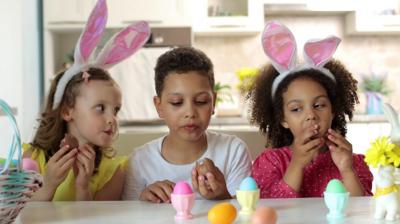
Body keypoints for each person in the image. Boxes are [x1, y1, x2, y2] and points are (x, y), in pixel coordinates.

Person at [22, 0, 150, 201]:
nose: (112, 119)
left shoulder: (115, 171)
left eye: (115, 110)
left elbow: (94, 219)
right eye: (100, 108)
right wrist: (49, 185)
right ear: (67, 111)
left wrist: (83, 186)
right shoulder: (33, 158)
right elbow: (22, 216)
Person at [249, 21, 373, 198]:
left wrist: (347, 170)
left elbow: (362, 211)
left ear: (333, 110)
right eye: (296, 109)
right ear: (283, 119)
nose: (310, 116)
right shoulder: (270, 162)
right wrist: (297, 164)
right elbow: (271, 209)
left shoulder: (354, 162)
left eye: (319, 105)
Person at [122, 47, 252, 202]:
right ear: (159, 106)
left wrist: (222, 196)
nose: (190, 112)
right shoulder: (139, 161)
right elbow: (128, 215)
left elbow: (245, 213)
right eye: (177, 103)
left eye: (201, 101)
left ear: (213, 102)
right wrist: (143, 201)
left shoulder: (233, 151)